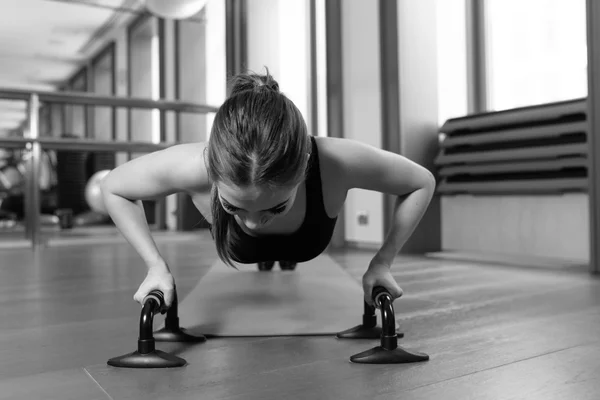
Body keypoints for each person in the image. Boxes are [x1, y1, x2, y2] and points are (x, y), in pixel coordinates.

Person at [101, 70, 436, 311]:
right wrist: (155, 265)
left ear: (305, 166)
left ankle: (277, 255)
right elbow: (114, 187)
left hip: (302, 239)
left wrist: (383, 262)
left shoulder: (335, 161)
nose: (250, 223)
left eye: (275, 208)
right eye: (233, 208)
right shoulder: (193, 165)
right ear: (213, 176)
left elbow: (421, 181)